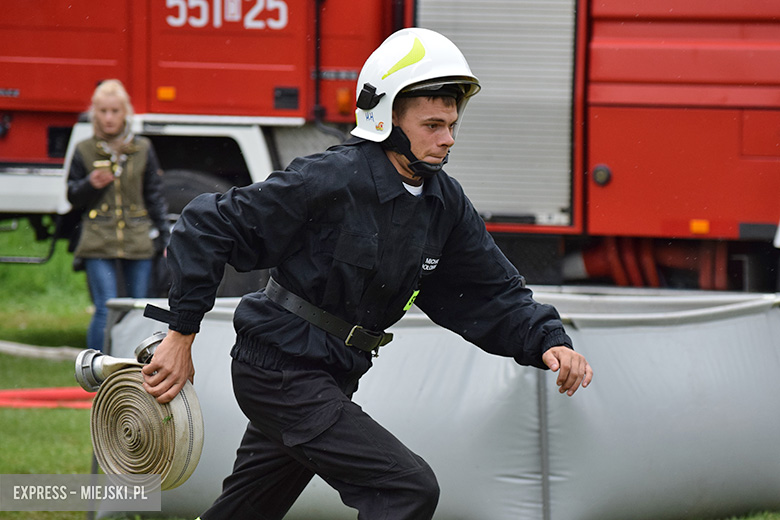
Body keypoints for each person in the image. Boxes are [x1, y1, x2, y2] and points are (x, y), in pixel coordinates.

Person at [142, 28, 593, 520]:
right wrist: (180, 335)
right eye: (433, 125)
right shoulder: (329, 178)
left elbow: (491, 292)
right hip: (278, 371)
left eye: (452, 124)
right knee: (406, 488)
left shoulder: (445, 204)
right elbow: (205, 222)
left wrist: (548, 340)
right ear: (386, 118)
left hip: (334, 374)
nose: (448, 139)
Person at [67, 79, 169, 351]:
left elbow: (154, 196)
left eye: (115, 111)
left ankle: (135, 373)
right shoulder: (84, 150)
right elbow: (71, 196)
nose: (109, 118)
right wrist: (90, 184)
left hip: (137, 237)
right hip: (98, 238)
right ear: (94, 113)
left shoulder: (144, 149)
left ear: (125, 113)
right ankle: (97, 374)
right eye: (103, 111)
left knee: (139, 308)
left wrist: (166, 238)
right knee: (105, 308)